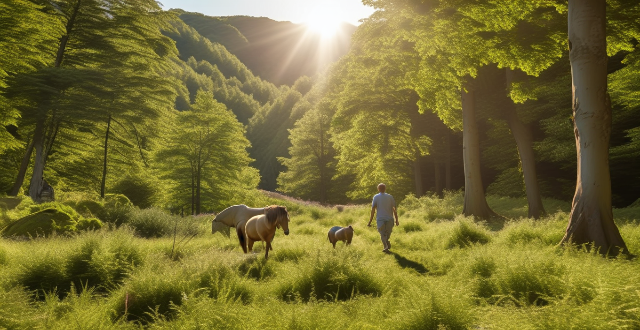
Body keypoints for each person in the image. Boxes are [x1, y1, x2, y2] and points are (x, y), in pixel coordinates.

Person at [367, 183, 399, 253]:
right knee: (387, 233)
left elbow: (373, 209)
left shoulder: (376, 197)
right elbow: (394, 209)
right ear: (385, 188)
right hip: (389, 218)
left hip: (380, 219)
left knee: (382, 233)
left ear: (378, 189)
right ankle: (386, 247)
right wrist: (397, 220)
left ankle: (386, 243)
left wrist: (370, 221)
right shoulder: (390, 197)